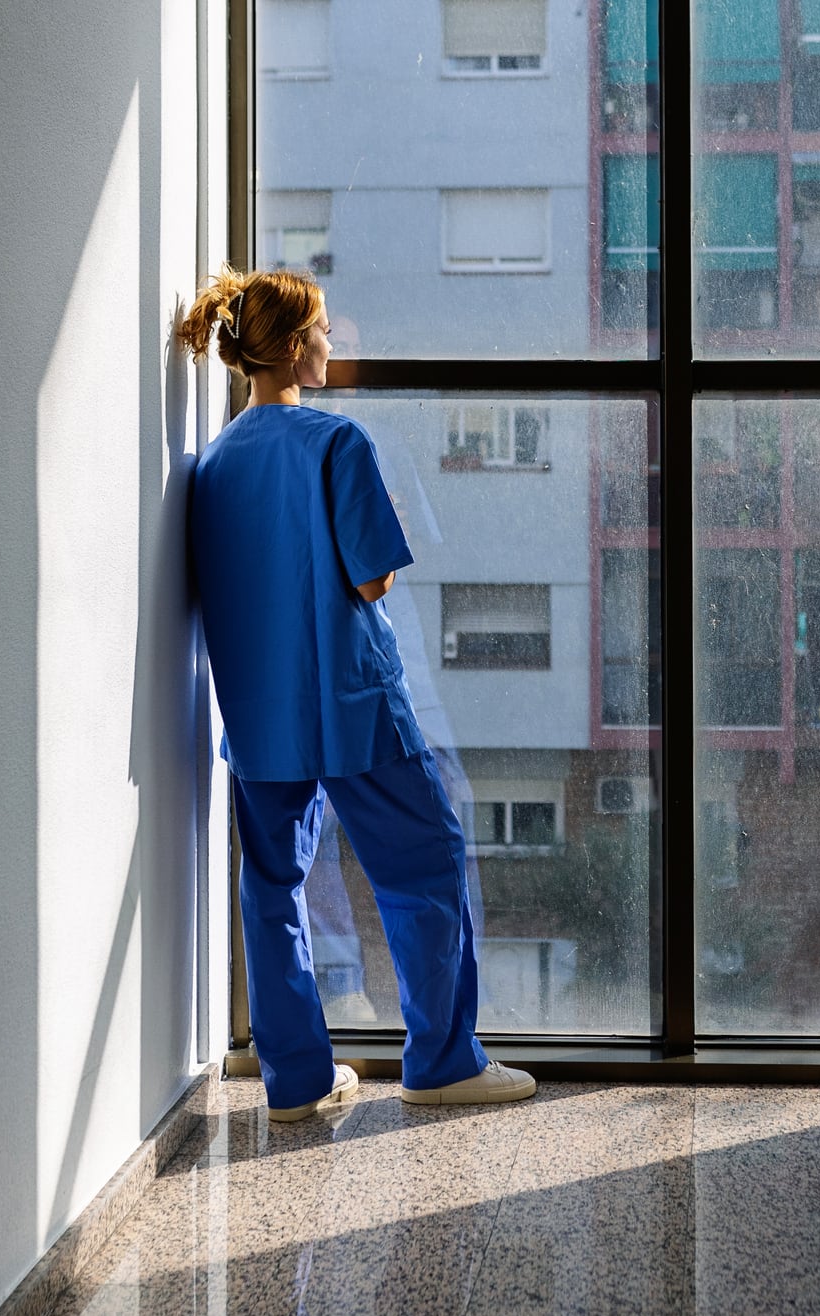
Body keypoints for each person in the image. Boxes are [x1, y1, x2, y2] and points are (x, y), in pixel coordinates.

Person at [173, 266, 535, 1120]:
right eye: (326, 331)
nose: (332, 346)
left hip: (258, 717)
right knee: (428, 862)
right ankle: (442, 1061)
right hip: (351, 702)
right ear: (296, 349)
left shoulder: (212, 464)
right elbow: (371, 582)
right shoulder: (338, 444)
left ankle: (296, 1082)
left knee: (272, 886)